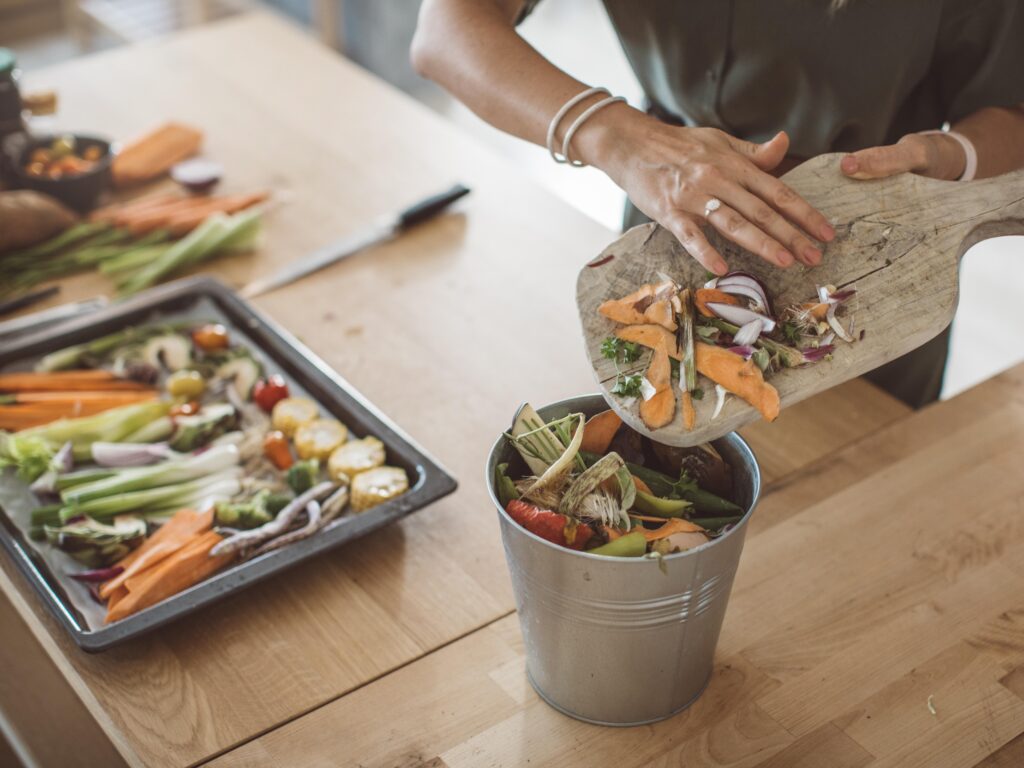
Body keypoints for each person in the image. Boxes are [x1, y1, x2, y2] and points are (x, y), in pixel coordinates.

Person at [411, 0, 1024, 408]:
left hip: (873, 264)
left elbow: (1011, 105)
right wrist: (619, 137)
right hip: (672, 223)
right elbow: (447, 31)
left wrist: (950, 156)